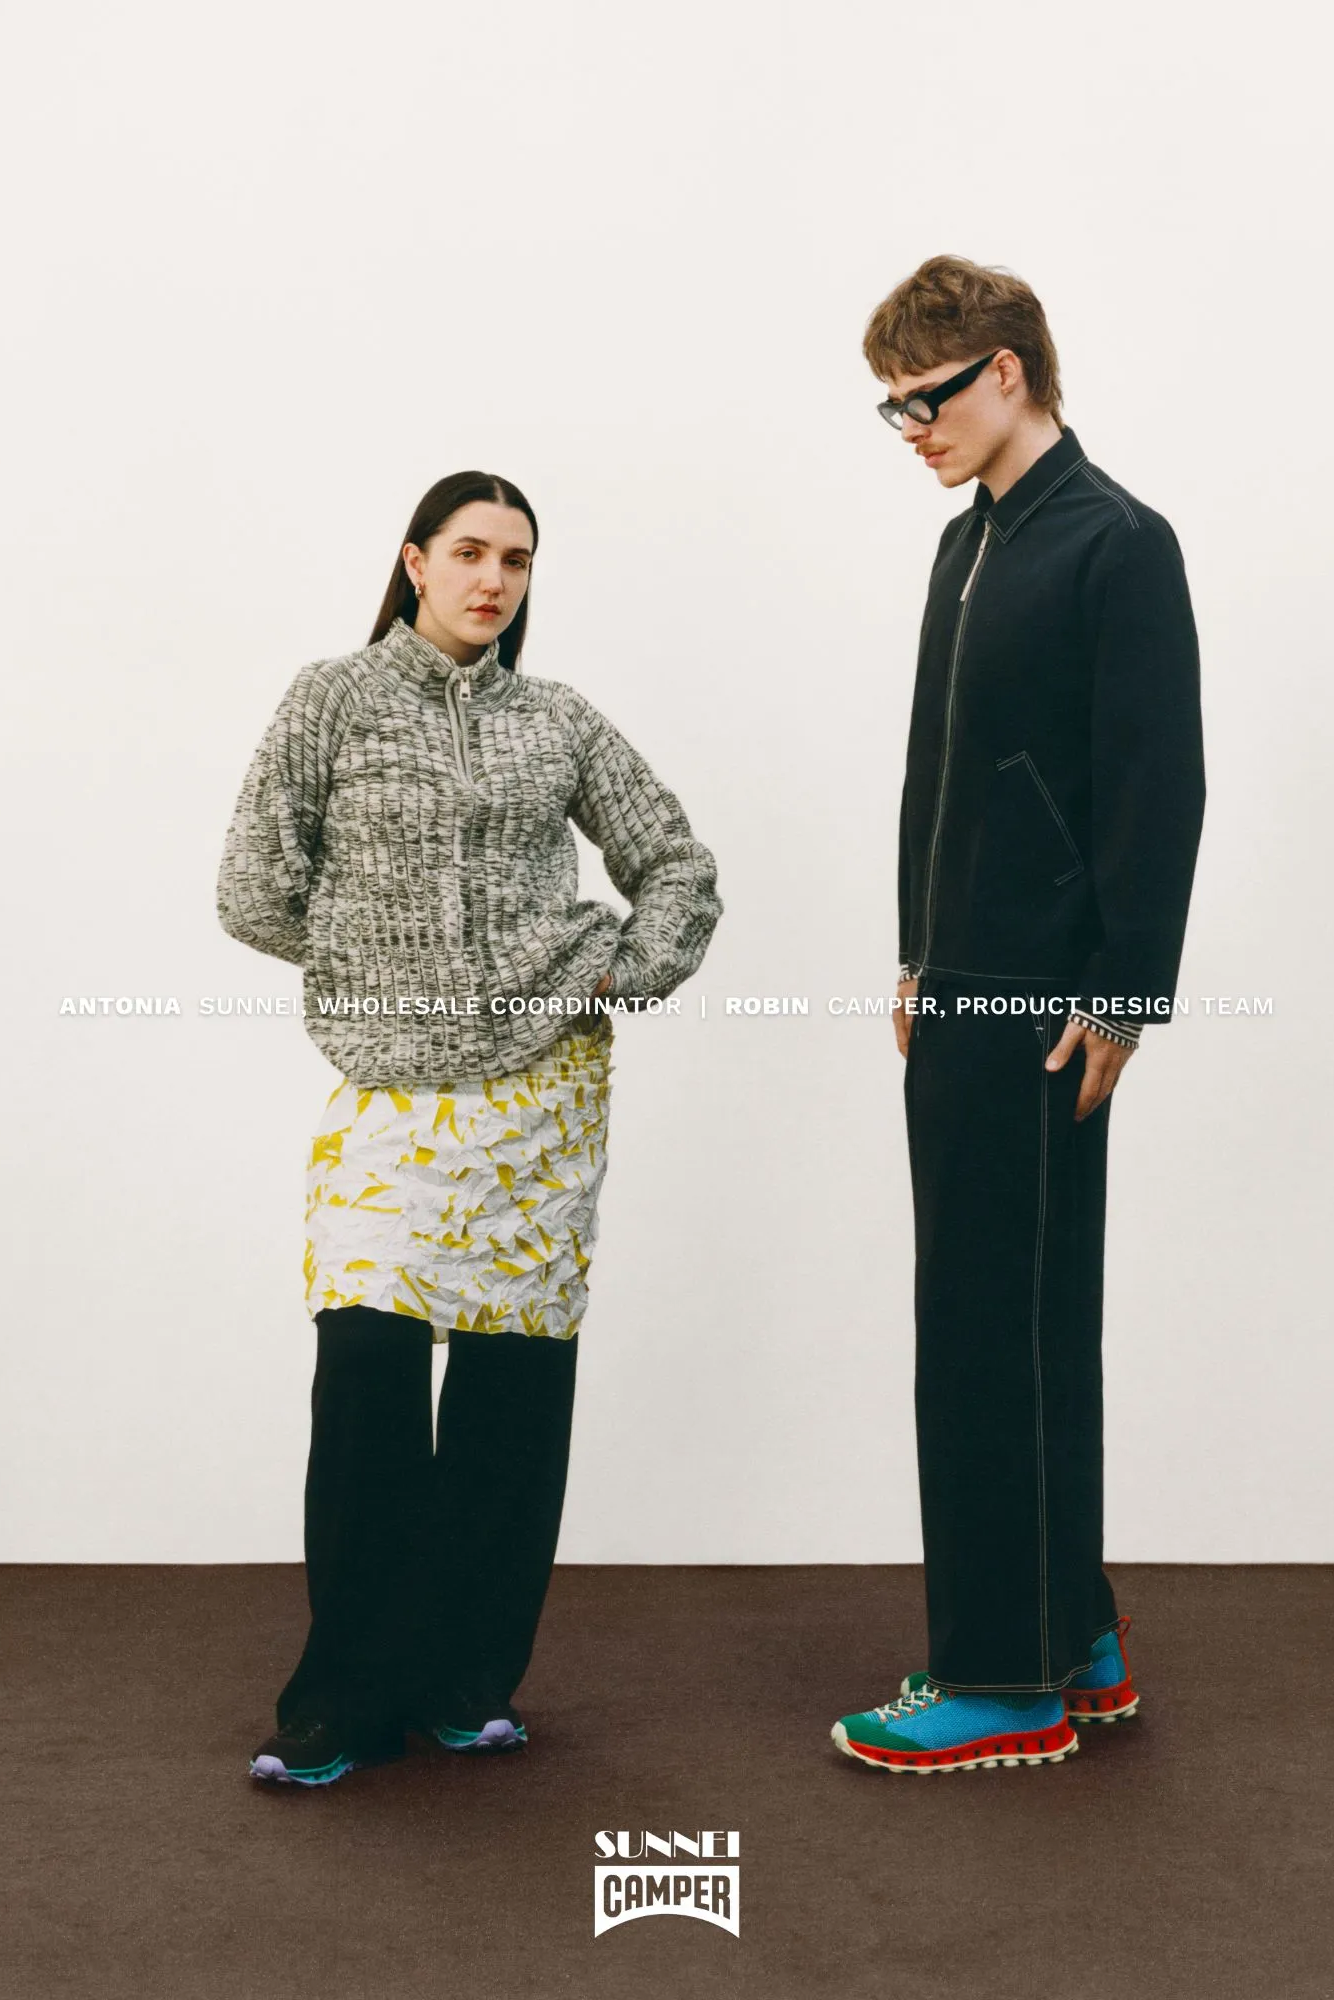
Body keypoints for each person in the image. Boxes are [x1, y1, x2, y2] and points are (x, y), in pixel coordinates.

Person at [216, 470, 722, 1785]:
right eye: (469, 552)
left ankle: (466, 1680)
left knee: (510, 1392)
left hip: (541, 1095)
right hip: (390, 1095)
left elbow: (676, 865)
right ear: (414, 562)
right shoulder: (331, 700)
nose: (493, 579)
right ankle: (343, 1698)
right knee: (367, 1371)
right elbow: (251, 889)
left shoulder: (557, 720)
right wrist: (379, 972)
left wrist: (620, 972)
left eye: (517, 559)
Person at [831, 257, 1205, 1774]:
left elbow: (1157, 780)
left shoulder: (1116, 541)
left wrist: (1124, 994)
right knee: (1012, 1315)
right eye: (890, 407)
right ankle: (1075, 1634)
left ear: (1005, 370)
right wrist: (915, 950)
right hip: (962, 988)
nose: (909, 428)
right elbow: (938, 766)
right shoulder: (966, 542)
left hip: (1048, 998)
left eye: (923, 398)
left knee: (995, 1330)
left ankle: (1000, 1680)